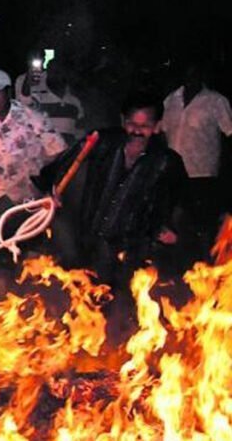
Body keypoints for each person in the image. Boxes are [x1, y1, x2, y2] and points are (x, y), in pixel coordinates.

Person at [38, 94, 186, 342]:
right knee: (84, 306)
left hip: (132, 248)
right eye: (132, 124)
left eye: (145, 126)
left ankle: (117, 364)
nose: (137, 131)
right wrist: (51, 191)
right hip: (91, 241)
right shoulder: (101, 141)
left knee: (122, 313)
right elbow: (61, 165)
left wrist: (171, 229)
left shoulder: (167, 161)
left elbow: (180, 203)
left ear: (158, 126)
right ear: (123, 120)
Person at [0, 68, 68, 210]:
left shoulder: (32, 118)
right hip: (1, 204)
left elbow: (59, 152)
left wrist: (51, 185)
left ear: (8, 92)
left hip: (37, 198)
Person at [160, 62, 232, 261]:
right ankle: (178, 268)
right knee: (173, 222)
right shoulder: (171, 100)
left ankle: (207, 268)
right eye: (187, 72)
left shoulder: (216, 101)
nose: (191, 76)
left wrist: (225, 172)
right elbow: (161, 131)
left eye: (195, 72)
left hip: (203, 173)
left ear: (203, 74)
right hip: (173, 172)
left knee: (203, 225)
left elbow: (229, 134)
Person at [14, 51, 85, 146]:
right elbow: (22, 104)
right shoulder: (37, 97)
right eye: (52, 70)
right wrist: (28, 82)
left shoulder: (75, 102)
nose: (56, 74)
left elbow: (80, 132)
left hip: (68, 157)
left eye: (60, 71)